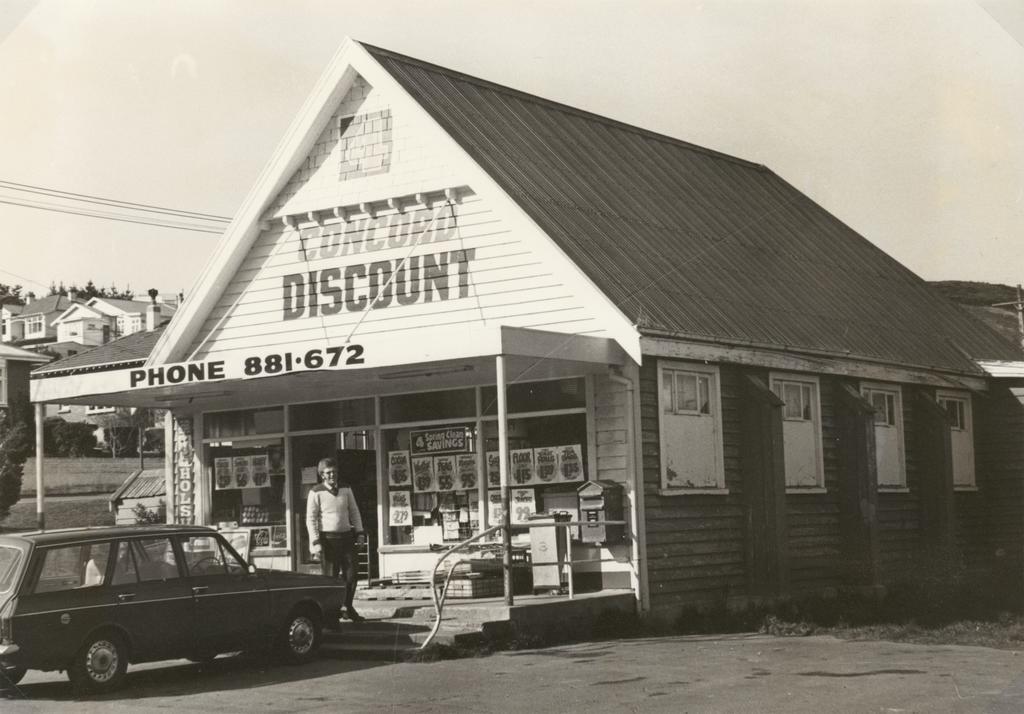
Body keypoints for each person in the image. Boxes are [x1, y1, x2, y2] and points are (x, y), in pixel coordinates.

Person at [306, 457, 366, 622]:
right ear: (322, 475)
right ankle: (330, 615)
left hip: (347, 537)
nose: (332, 475)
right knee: (330, 578)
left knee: (352, 574)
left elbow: (354, 511)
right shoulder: (315, 492)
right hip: (328, 540)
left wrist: (360, 532)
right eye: (328, 473)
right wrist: (316, 542)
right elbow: (310, 519)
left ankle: (347, 607)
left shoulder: (346, 488)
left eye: (334, 472)